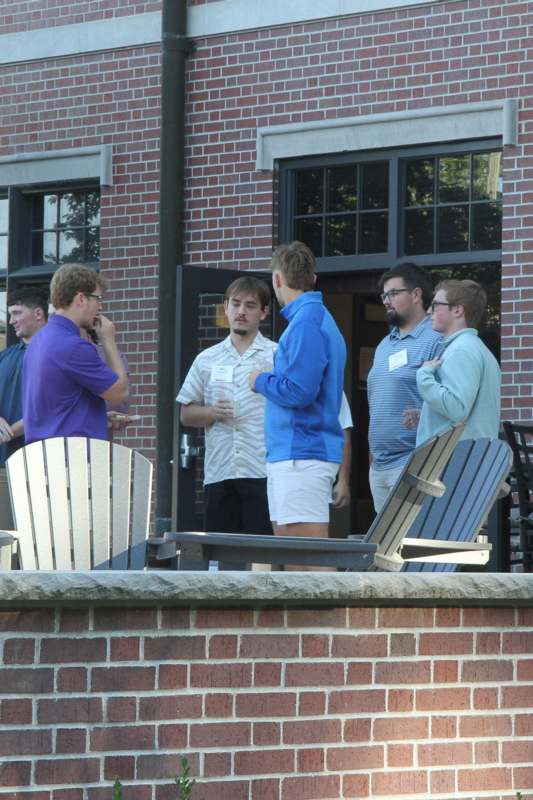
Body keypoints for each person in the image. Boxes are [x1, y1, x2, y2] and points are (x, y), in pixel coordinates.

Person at [249, 241, 347, 541]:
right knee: (296, 562)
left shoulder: (306, 322)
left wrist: (260, 380)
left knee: (308, 564)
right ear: (312, 278)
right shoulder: (311, 319)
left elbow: (300, 392)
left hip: (302, 456)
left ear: (277, 279)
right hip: (295, 455)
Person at [177, 276, 277, 536]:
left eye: (250, 305)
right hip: (220, 472)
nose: (241, 311)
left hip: (263, 470)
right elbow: (186, 414)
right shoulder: (206, 359)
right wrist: (210, 412)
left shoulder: (277, 355)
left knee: (262, 558)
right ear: (225, 307)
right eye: (236, 304)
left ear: (264, 312)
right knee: (222, 559)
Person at [22, 264, 129, 443]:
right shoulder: (72, 346)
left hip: (43, 457)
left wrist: (98, 418)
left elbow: (56, 407)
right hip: (71, 460)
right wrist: (109, 341)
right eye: (98, 298)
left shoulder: (38, 341)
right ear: (81, 298)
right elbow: (120, 393)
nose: (100, 307)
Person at [367, 263, 442, 513]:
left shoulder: (436, 339)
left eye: (393, 294)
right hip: (379, 467)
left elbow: (449, 400)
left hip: (413, 461)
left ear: (416, 294)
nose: (386, 301)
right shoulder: (383, 345)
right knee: (387, 549)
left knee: (415, 547)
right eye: (384, 296)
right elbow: (377, 401)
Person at [416, 279, 501, 444]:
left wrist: (423, 376)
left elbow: (457, 408)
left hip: (456, 462)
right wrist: (426, 415)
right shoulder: (475, 348)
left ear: (457, 310)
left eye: (435, 305)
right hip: (470, 460)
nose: (428, 311)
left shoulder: (461, 350)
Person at [0, 288, 48, 466]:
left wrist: (9, 432)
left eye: (17, 313)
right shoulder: (5, 357)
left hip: (41, 463)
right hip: (4, 463)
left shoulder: (58, 355)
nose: (11, 321)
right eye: (10, 314)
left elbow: (52, 409)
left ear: (38, 314)